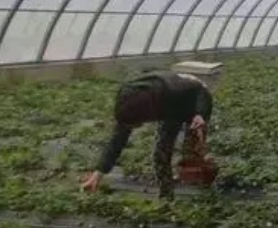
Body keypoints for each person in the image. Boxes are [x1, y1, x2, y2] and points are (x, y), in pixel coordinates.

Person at [81, 71, 212, 199]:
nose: (133, 127)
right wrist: (98, 174)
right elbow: (117, 141)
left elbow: (199, 89)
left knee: (193, 151)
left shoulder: (173, 91)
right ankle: (166, 195)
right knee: (161, 152)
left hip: (194, 99)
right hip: (166, 105)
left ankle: (206, 180)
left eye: (134, 124)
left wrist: (200, 114)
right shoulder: (128, 103)